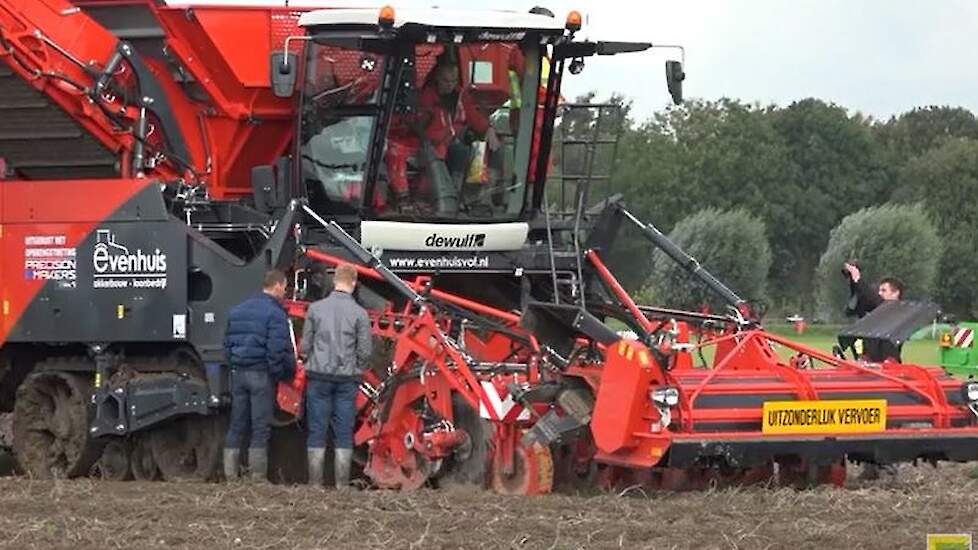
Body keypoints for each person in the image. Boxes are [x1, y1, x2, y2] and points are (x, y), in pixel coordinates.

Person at [386, 57, 501, 212]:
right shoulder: (426, 97)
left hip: (451, 142)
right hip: (431, 144)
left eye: (453, 81)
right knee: (459, 152)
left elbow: (474, 116)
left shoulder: (460, 96)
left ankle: (471, 197)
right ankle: (448, 197)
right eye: (446, 81)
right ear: (437, 79)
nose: (450, 85)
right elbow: (419, 126)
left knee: (479, 150)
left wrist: (488, 129)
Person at [301, 263, 373, 488]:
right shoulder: (360, 314)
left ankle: (315, 484)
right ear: (353, 283)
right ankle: (341, 485)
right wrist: (356, 367)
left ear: (334, 281)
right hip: (347, 381)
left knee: (317, 429)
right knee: (343, 431)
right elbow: (365, 351)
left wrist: (311, 359)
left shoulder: (315, 309)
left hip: (319, 377)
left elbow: (305, 347)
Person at [222, 269, 296, 481]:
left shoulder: (237, 311)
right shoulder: (276, 314)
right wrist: (277, 373)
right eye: (284, 286)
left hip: (238, 374)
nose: (285, 290)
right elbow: (277, 350)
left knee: (236, 424)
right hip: (261, 375)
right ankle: (257, 476)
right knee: (260, 426)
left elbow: (226, 345)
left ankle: (230, 475)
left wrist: (234, 364)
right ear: (277, 286)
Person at [843, 263, 905, 362]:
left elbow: (873, 299)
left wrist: (858, 278)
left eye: (884, 290)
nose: (879, 293)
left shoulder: (897, 310)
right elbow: (862, 299)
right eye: (879, 290)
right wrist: (853, 282)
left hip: (889, 366)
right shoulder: (878, 309)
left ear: (896, 293)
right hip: (871, 363)